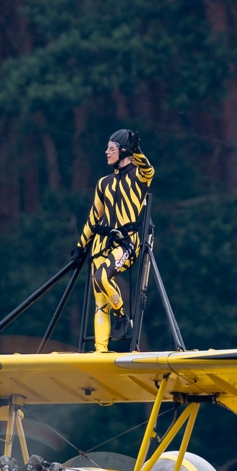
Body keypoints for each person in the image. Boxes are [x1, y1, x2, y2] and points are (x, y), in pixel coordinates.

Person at [75, 128, 155, 352]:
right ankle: (100, 350)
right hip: (100, 245)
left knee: (102, 277)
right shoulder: (103, 183)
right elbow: (94, 217)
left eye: (111, 148)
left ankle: (121, 314)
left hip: (127, 243)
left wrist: (137, 151)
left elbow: (149, 170)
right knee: (100, 302)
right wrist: (81, 246)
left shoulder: (139, 177)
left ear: (123, 151)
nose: (106, 152)